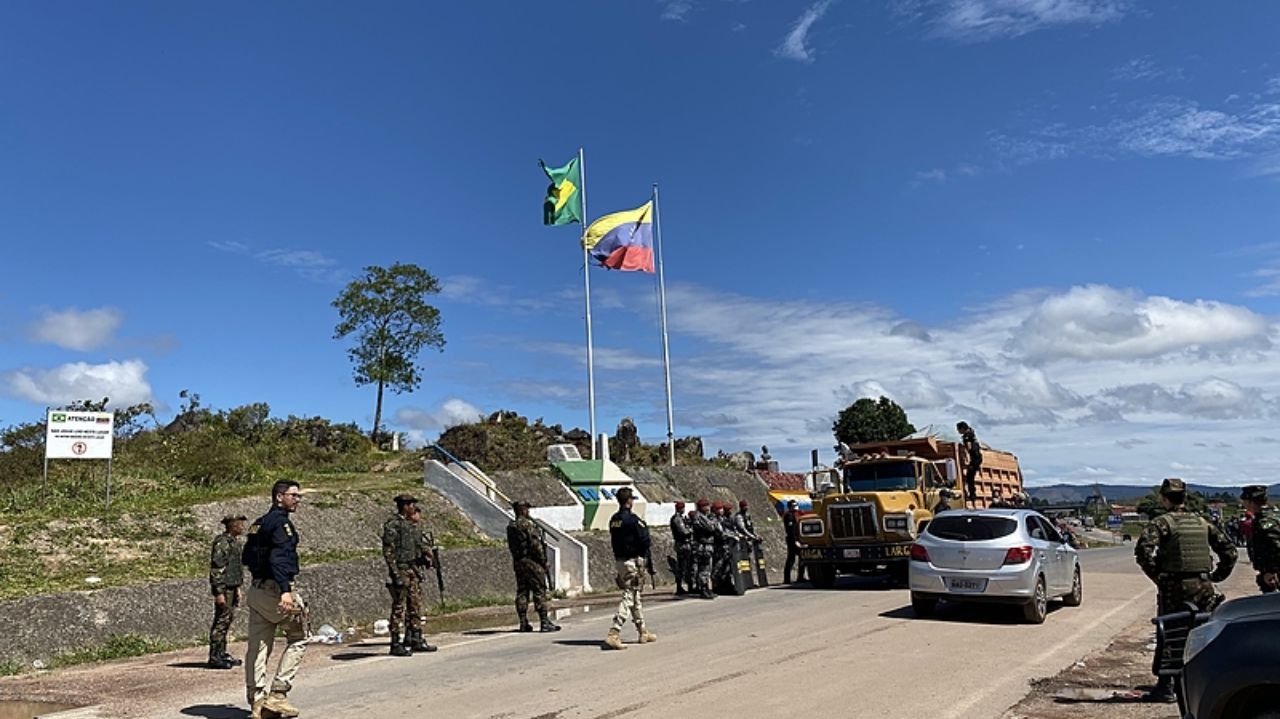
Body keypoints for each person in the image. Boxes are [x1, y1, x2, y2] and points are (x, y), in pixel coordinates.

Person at [1134, 478, 1237, 703]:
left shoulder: (1162, 523)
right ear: (1184, 497)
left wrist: (1158, 577)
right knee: (1203, 633)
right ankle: (1203, 680)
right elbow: (1230, 551)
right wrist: (1216, 576)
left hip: (1175, 586)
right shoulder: (1202, 522)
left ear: (1163, 498)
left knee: (1171, 634)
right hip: (1204, 587)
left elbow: (1143, 551)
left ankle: (1166, 687)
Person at [242, 481, 308, 719]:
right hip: (274, 590)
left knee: (258, 647)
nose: (297, 499)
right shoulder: (281, 524)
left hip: (256, 590)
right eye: (293, 495)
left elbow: (247, 556)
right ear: (279, 497)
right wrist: (285, 591)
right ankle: (278, 695)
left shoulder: (258, 524)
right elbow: (280, 558)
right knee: (299, 637)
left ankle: (257, 701)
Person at [603, 487, 657, 650]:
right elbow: (645, 540)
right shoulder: (633, 520)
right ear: (629, 501)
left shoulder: (614, 519)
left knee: (635, 597)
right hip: (631, 561)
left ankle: (642, 630)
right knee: (629, 595)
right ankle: (614, 632)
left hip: (620, 560)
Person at [382, 495, 435, 656]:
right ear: (404, 506)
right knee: (399, 607)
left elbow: (416, 546)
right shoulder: (393, 525)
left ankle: (416, 637)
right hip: (401, 569)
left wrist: (424, 558)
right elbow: (388, 551)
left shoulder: (409, 525)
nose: (413, 508)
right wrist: (395, 573)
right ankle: (395, 642)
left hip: (413, 569)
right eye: (411, 505)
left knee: (415, 604)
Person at [506, 500, 561, 632]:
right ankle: (544, 621)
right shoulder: (527, 525)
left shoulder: (511, 526)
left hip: (518, 562)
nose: (528, 511)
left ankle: (523, 622)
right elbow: (536, 546)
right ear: (522, 510)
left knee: (522, 591)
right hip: (532, 562)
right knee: (539, 590)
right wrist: (543, 561)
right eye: (526, 509)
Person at [208, 514, 247, 670]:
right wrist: (219, 592)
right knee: (221, 622)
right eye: (239, 524)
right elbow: (217, 569)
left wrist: (237, 588)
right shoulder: (222, 543)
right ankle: (215, 656)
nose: (242, 527)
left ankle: (222, 653)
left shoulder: (234, 542)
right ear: (232, 525)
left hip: (231, 587)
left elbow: (234, 568)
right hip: (224, 589)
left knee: (227, 620)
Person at [1240, 485, 1279, 593]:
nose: (1243, 504)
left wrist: (1271, 571)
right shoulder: (1275, 514)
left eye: (1245, 501)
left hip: (1274, 575)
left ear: (1251, 502)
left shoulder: (1264, 520)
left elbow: (1276, 545)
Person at [689, 498, 720, 599]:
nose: (707, 508)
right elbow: (711, 527)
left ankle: (706, 588)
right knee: (704, 569)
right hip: (703, 546)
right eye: (705, 506)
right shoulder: (699, 517)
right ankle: (703, 589)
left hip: (708, 546)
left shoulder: (705, 517)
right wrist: (713, 521)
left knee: (708, 568)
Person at [669, 501, 694, 596]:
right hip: (682, 544)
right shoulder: (677, 519)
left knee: (687, 565)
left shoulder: (680, 518)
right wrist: (691, 529)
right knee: (682, 566)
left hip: (684, 544)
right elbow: (683, 531)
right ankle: (680, 587)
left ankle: (689, 585)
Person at [956, 421, 982, 504]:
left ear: (962, 428)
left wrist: (965, 453)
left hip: (975, 458)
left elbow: (969, 446)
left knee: (969, 478)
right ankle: (972, 494)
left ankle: (972, 495)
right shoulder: (971, 432)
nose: (958, 431)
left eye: (958, 429)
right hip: (977, 457)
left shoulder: (967, 435)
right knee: (970, 477)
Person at [783, 499, 806, 584]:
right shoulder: (789, 516)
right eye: (793, 505)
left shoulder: (796, 515)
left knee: (800, 557)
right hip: (792, 540)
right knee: (791, 559)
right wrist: (795, 541)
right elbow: (791, 530)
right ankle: (787, 578)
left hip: (797, 539)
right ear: (790, 507)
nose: (795, 507)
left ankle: (800, 576)